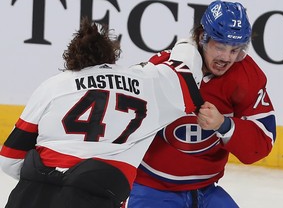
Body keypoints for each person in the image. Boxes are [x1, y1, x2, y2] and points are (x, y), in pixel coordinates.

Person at [0, 18, 204, 208]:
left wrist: (50, 180)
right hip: (95, 196)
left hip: (30, 195)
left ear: (72, 60)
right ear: (111, 55)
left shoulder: (53, 86)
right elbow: (187, 71)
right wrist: (190, 42)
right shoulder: (146, 82)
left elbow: (9, 159)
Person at [124, 0, 277, 208]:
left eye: (234, 50)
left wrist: (224, 125)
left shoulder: (246, 76)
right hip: (151, 187)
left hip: (206, 190)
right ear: (202, 38)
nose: (226, 58)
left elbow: (261, 143)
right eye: (220, 47)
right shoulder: (164, 70)